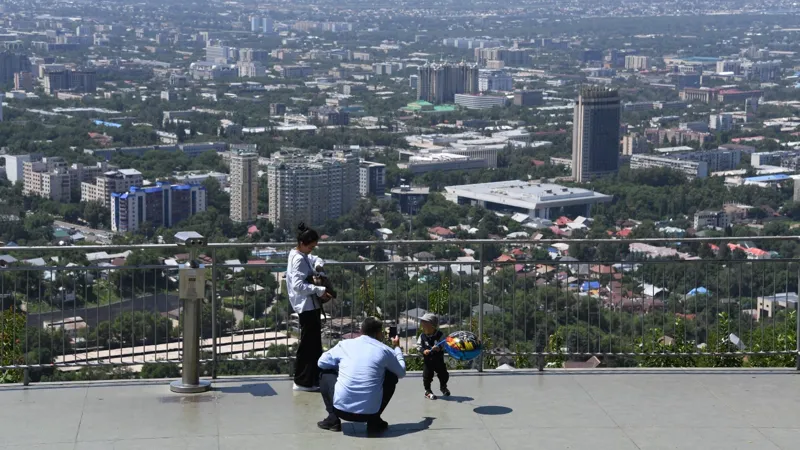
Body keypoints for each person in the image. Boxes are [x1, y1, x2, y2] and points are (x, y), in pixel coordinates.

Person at [317, 317, 406, 434]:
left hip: (340, 410)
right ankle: (374, 422)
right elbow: (401, 373)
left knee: (325, 373)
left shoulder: (345, 344)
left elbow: (321, 362)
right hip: (370, 414)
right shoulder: (385, 350)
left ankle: (333, 418)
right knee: (391, 376)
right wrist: (397, 348)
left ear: (361, 330)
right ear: (379, 333)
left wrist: (342, 367)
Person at [286, 222, 332, 392]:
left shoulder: (299, 254)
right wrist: (319, 289)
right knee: (308, 345)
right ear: (303, 244)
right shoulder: (298, 259)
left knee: (313, 344)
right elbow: (298, 286)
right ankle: (303, 381)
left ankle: (311, 379)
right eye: (311, 247)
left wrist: (318, 264)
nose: (312, 250)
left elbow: (313, 259)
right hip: (306, 306)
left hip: (309, 305)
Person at [417, 313, 450, 400]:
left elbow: (444, 344)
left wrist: (439, 348)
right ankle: (427, 391)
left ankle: (443, 387)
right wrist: (423, 351)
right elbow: (418, 346)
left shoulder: (439, 335)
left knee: (444, 374)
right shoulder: (422, 336)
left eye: (424, 324)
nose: (422, 326)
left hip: (439, 360)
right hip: (428, 362)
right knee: (427, 376)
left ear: (431, 325)